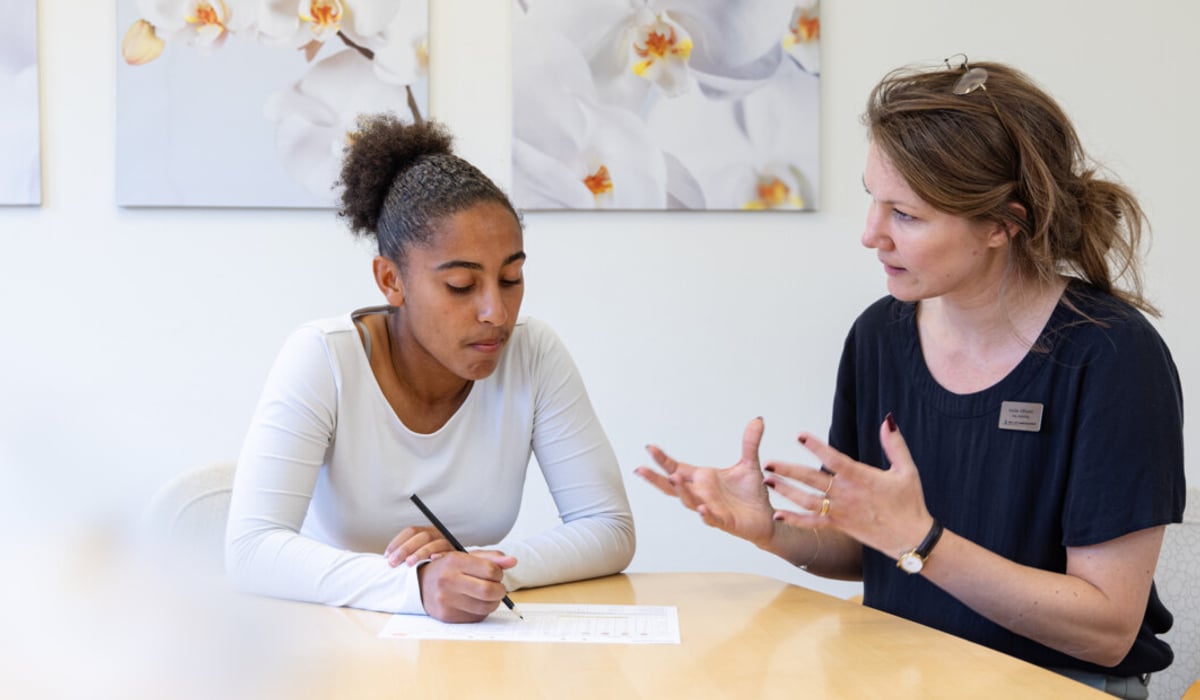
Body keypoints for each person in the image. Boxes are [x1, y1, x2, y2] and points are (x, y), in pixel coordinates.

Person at [636, 58, 1185, 698]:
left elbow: (1107, 629)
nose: (871, 235)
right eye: (873, 199)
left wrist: (924, 541)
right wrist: (773, 532)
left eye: (905, 214)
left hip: (1058, 685)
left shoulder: (1111, 355)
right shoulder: (879, 336)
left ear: (1002, 224)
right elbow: (873, 548)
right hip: (899, 673)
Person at [226, 114, 635, 623]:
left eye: (511, 278)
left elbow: (609, 527)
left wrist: (477, 571)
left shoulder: (534, 354)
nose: (496, 313)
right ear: (390, 280)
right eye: (462, 286)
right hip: (329, 637)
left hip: (467, 640)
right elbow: (251, 549)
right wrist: (417, 585)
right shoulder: (323, 358)